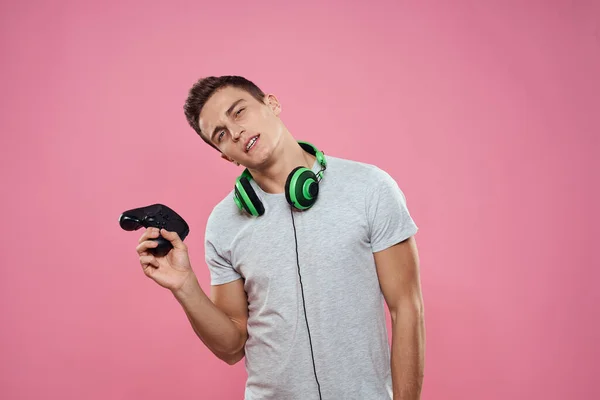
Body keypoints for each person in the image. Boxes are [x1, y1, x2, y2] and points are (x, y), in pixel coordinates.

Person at [135, 76, 425, 399]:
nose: (235, 132)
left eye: (238, 112)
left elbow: (406, 309)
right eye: (221, 134)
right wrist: (185, 286)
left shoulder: (370, 188)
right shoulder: (223, 223)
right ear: (225, 156)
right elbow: (232, 346)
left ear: (271, 104)